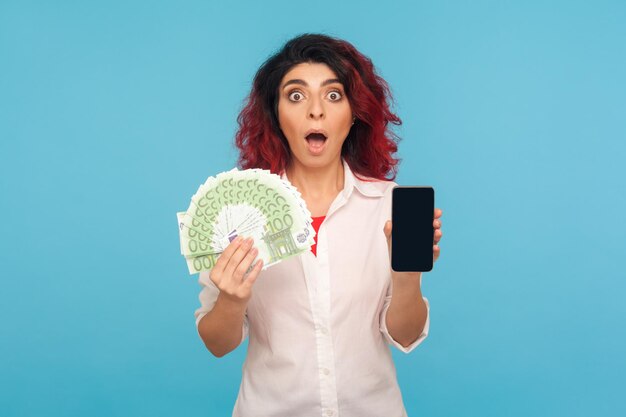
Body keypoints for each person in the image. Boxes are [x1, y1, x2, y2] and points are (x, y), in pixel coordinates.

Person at [194, 33, 444, 417]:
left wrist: (406, 275)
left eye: (333, 95)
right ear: (275, 113)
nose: (315, 111)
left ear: (355, 111)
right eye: (296, 95)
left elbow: (406, 335)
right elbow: (217, 343)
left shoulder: (389, 207)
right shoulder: (238, 212)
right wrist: (232, 299)